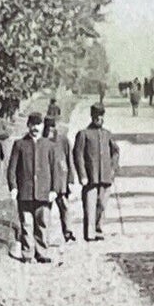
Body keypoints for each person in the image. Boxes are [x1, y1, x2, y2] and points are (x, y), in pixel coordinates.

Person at [8, 112, 55, 263]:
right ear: (28, 126)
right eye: (32, 125)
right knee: (27, 223)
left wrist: (54, 189)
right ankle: (27, 253)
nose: (35, 128)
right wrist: (13, 187)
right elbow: (12, 169)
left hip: (43, 191)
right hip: (25, 192)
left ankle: (42, 252)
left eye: (38, 125)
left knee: (43, 222)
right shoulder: (20, 144)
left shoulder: (49, 145)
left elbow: (55, 170)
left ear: (42, 126)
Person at [73, 102, 120, 241]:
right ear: (91, 116)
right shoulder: (84, 134)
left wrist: (112, 169)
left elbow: (116, 151)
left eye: (101, 116)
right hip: (90, 177)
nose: (99, 118)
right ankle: (90, 233)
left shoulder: (107, 134)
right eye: (96, 116)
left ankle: (99, 229)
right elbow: (78, 155)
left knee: (102, 205)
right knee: (90, 205)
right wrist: (82, 174)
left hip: (105, 176)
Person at [44, 114, 76, 243]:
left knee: (65, 207)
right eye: (48, 128)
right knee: (45, 210)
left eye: (52, 127)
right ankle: (44, 237)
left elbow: (69, 160)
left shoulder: (63, 140)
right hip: (46, 182)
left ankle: (67, 232)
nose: (50, 130)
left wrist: (70, 180)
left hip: (61, 180)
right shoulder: (41, 141)